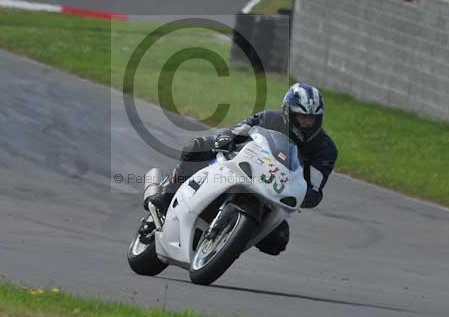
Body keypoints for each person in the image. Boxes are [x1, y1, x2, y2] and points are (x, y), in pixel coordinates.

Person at [144, 83, 338, 256]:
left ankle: (230, 239)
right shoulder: (269, 118)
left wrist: (303, 196)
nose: (306, 123)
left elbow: (315, 188)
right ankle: (168, 194)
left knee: (278, 241)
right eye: (301, 117)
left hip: (274, 193)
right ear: (288, 112)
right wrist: (225, 138)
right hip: (241, 165)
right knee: (197, 146)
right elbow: (238, 129)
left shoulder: (325, 149)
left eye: (311, 119)